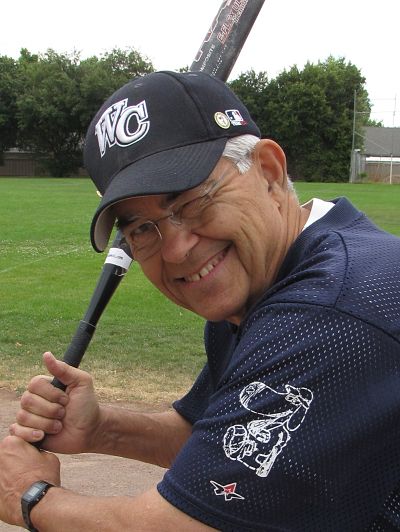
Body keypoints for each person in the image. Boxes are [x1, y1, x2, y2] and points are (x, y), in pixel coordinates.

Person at [0, 70, 399, 532]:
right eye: (141, 229)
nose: (175, 251)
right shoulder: (266, 284)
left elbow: (183, 527)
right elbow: (221, 442)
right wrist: (101, 429)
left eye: (191, 202)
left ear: (269, 173)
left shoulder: (327, 309)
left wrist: (30, 497)